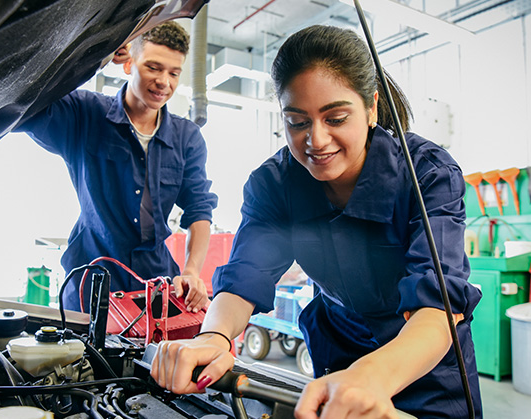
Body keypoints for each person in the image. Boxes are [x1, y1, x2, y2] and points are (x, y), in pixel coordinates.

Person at [150, 25, 483, 418]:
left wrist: (372, 376)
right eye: (298, 122)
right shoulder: (275, 184)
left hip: (425, 361)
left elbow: (438, 306)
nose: (317, 140)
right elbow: (246, 275)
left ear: (371, 107)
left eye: (336, 117)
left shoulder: (427, 173)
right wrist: (214, 336)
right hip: (338, 351)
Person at [18, 21, 218, 313]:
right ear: (127, 64)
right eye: (153, 67)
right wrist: (95, 58)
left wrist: (190, 271)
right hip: (91, 283)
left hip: (154, 287)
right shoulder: (85, 115)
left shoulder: (187, 138)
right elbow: (26, 102)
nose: (165, 82)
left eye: (174, 73)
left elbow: (199, 209)